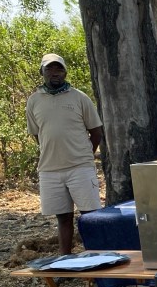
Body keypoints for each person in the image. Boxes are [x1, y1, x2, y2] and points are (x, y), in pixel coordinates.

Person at [25, 53, 104, 255]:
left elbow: (96, 132)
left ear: (65, 72)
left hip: (80, 168)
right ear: (42, 72)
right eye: (49, 69)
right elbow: (38, 135)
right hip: (50, 169)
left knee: (90, 216)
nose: (54, 73)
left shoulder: (79, 98)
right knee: (63, 217)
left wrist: (84, 155)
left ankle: (97, 259)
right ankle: (65, 261)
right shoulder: (34, 101)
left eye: (59, 68)